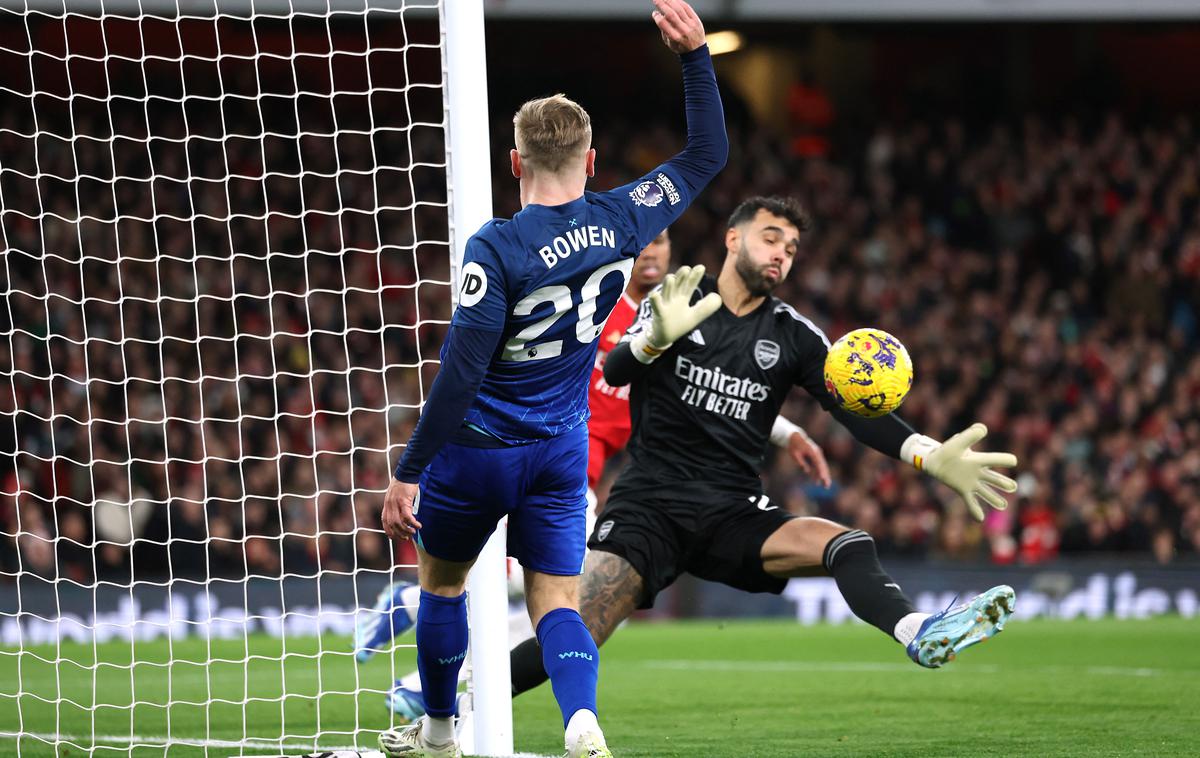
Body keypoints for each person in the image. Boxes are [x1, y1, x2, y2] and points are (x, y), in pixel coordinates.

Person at [501, 194, 1020, 707]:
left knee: (848, 543)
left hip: (734, 512)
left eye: (791, 249)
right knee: (577, 635)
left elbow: (849, 409)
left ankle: (916, 631)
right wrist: (652, 340)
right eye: (771, 239)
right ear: (733, 238)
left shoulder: (792, 334)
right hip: (650, 509)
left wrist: (926, 453)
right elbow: (615, 371)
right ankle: (446, 703)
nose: (781, 255)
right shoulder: (679, 297)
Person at [376, 2, 727, 756]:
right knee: (556, 603)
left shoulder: (495, 248)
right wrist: (695, 58)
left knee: (441, 585)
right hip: (561, 449)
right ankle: (581, 721)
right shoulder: (628, 218)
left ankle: (439, 732)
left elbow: (461, 373)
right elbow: (707, 153)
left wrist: (410, 472)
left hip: (479, 450)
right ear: (593, 160)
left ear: (514, 163)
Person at [356, 228, 833, 722]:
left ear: (672, 251)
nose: (652, 250)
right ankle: (421, 641)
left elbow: (717, 392)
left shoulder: (672, 320)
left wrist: (789, 432)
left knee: (554, 597)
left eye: (663, 241)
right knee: (565, 601)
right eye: (643, 241)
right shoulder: (591, 302)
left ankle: (417, 634)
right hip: (541, 457)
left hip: (568, 473)